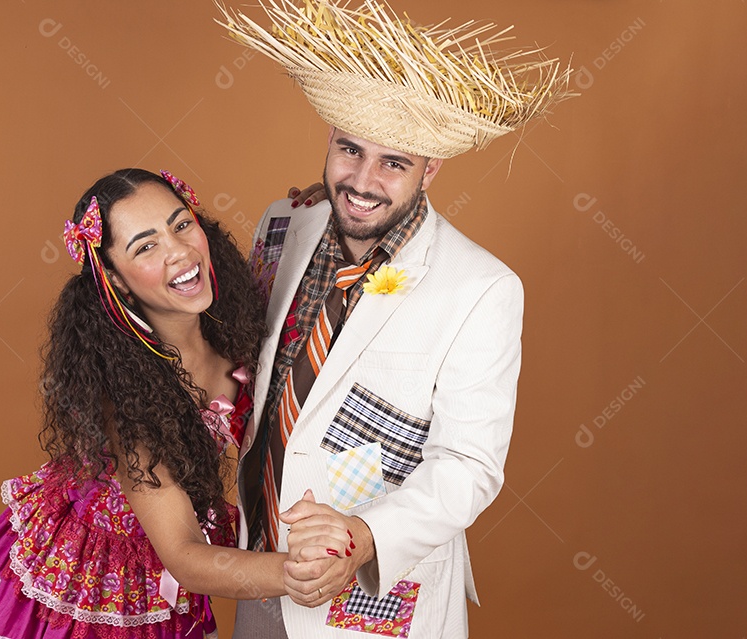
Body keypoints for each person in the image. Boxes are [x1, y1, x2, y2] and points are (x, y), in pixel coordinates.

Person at [217, 1, 572, 636]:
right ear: (330, 137)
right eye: (350, 150)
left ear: (431, 168)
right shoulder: (282, 223)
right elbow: (246, 369)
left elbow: (468, 465)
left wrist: (362, 537)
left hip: (375, 592)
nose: (362, 181)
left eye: (394, 162)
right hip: (263, 566)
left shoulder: (482, 288)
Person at [0, 168, 345, 639]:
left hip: (180, 560)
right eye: (145, 247)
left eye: (181, 224)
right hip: (105, 574)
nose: (179, 252)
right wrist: (299, 572)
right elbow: (184, 556)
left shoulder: (238, 318)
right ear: (116, 280)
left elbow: (307, 272)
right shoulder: (127, 400)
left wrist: (325, 207)